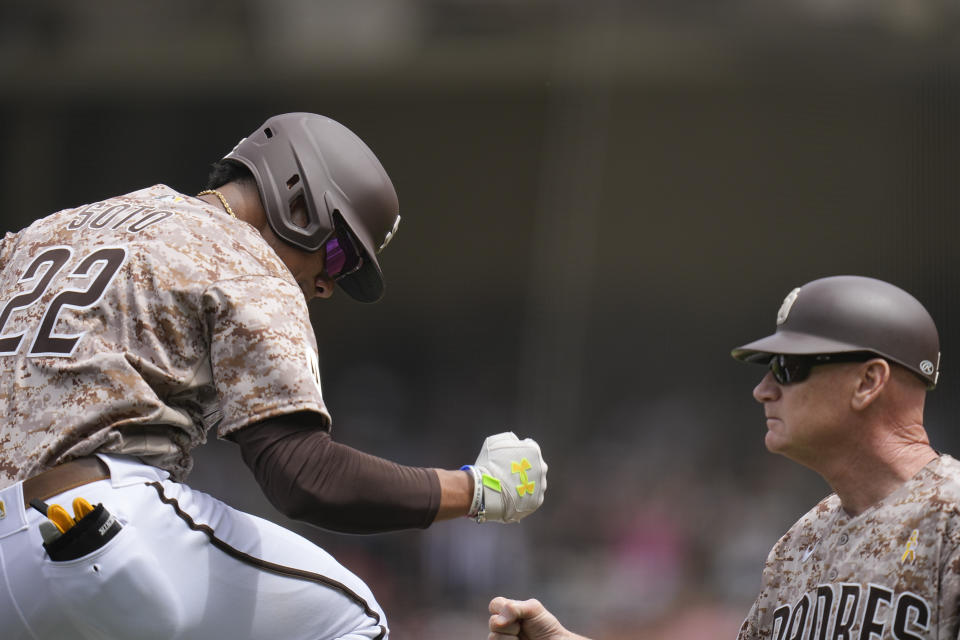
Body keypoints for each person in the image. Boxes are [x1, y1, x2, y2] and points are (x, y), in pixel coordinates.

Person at [0, 112, 547, 640]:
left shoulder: (43, 232)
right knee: (349, 620)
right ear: (298, 202)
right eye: (339, 253)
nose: (330, 283)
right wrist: (478, 489)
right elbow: (306, 478)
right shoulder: (243, 254)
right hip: (100, 525)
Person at [490, 275, 960, 640]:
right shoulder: (801, 542)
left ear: (868, 382)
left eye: (789, 367)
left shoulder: (952, 516)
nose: (763, 390)